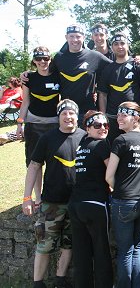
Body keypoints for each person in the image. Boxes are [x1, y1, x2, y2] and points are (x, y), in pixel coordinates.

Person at [22, 99, 85, 288]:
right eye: (64, 113)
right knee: (44, 244)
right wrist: (28, 198)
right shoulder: (47, 138)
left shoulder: (85, 137)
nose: (68, 117)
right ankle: (38, 283)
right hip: (52, 202)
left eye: (71, 113)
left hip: (77, 203)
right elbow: (34, 166)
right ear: (58, 117)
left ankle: (60, 279)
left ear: (77, 116)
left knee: (69, 243)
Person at [105, 101, 140, 287]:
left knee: (126, 250)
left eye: (123, 115)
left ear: (136, 118)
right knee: (137, 246)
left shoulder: (121, 141)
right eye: (117, 115)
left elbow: (109, 176)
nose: (118, 118)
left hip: (124, 202)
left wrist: (122, 188)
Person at [68, 111, 113, 288]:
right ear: (87, 128)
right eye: (97, 125)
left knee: (81, 252)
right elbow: (111, 174)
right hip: (95, 204)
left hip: (76, 205)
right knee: (101, 251)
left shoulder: (81, 145)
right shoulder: (101, 145)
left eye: (106, 125)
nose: (102, 128)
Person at [16, 47, 60, 206]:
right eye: (39, 59)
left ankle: (54, 194)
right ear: (34, 61)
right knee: (35, 162)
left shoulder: (58, 76)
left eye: (46, 58)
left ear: (50, 59)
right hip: (34, 124)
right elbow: (25, 101)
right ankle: (38, 197)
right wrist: (20, 123)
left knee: (55, 162)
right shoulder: (29, 78)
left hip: (55, 124)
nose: (43, 62)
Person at [98, 32, 140, 142]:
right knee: (114, 149)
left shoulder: (138, 65)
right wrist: (103, 116)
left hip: (134, 116)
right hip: (113, 117)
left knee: (136, 148)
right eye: (116, 44)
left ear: (128, 45)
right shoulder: (107, 69)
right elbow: (103, 94)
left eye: (123, 43)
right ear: (112, 47)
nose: (120, 46)